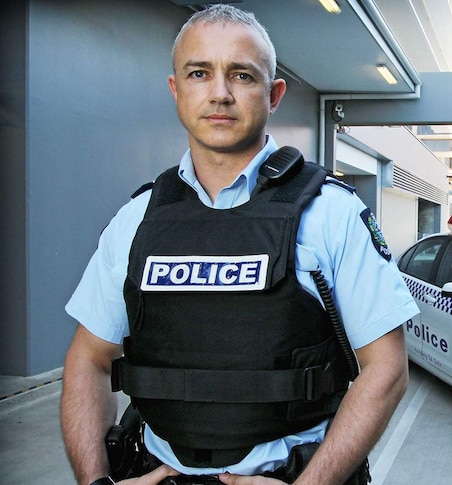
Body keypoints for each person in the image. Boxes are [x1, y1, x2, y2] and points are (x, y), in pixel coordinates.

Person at [60, 4, 419, 485]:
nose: (220, 93)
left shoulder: (332, 214)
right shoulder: (138, 219)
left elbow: (387, 368)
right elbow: (88, 357)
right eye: (199, 72)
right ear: (176, 89)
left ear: (273, 95)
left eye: (242, 75)